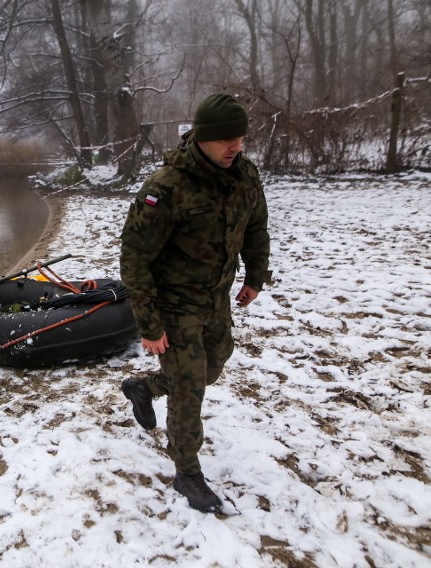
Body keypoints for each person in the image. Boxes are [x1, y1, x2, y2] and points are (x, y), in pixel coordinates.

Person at [118, 93, 271, 513]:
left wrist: (256, 275)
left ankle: (143, 388)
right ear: (201, 137)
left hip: (216, 297)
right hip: (174, 303)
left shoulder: (245, 175)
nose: (235, 146)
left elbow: (256, 226)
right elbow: (135, 258)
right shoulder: (165, 188)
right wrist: (150, 324)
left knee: (213, 366)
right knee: (189, 388)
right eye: (226, 139)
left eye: (239, 138)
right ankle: (186, 469)